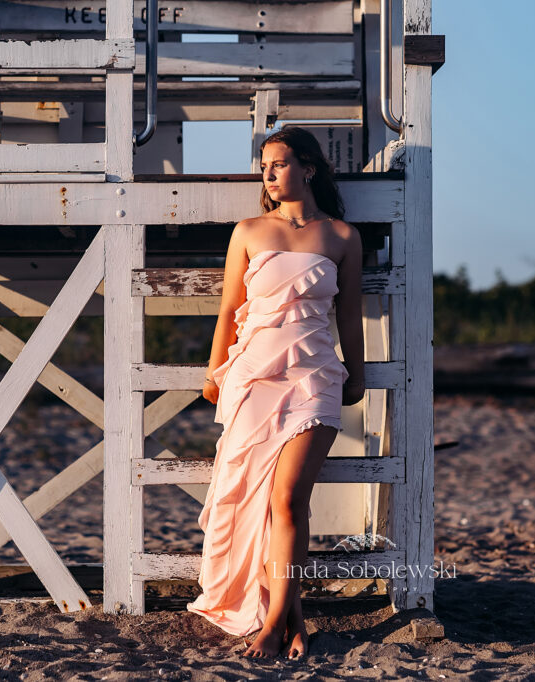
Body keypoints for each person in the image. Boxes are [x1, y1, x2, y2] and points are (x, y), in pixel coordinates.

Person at [186, 126, 365, 659]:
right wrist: (215, 371)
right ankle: (292, 618)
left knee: (288, 499)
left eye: (279, 163)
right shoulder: (247, 231)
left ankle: (270, 628)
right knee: (253, 501)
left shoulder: (341, 237)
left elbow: (349, 316)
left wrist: (355, 374)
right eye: (264, 165)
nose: (267, 174)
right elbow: (227, 309)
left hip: (314, 379)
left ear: (308, 168)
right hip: (255, 379)